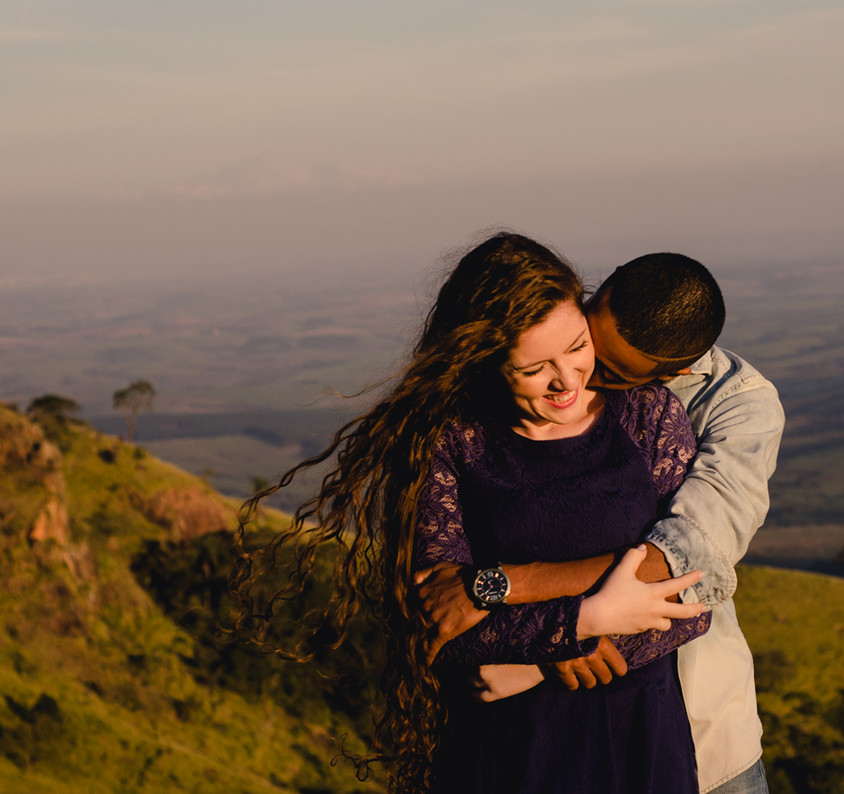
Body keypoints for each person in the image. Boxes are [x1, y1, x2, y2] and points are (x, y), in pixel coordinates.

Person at [232, 233, 712, 794]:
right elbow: (437, 620)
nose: (567, 380)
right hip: (509, 747)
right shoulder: (451, 441)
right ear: (484, 361)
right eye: (534, 368)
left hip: (640, 735)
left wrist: (531, 653)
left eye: (578, 347)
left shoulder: (647, 417)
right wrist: (578, 625)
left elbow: (692, 596)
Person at [417, 252, 785, 793]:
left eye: (610, 373)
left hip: (696, 728)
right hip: (520, 744)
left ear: (671, 373)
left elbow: (681, 562)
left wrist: (512, 602)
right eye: (584, 334)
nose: (578, 379)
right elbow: (433, 604)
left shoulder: (729, 408)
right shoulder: (466, 429)